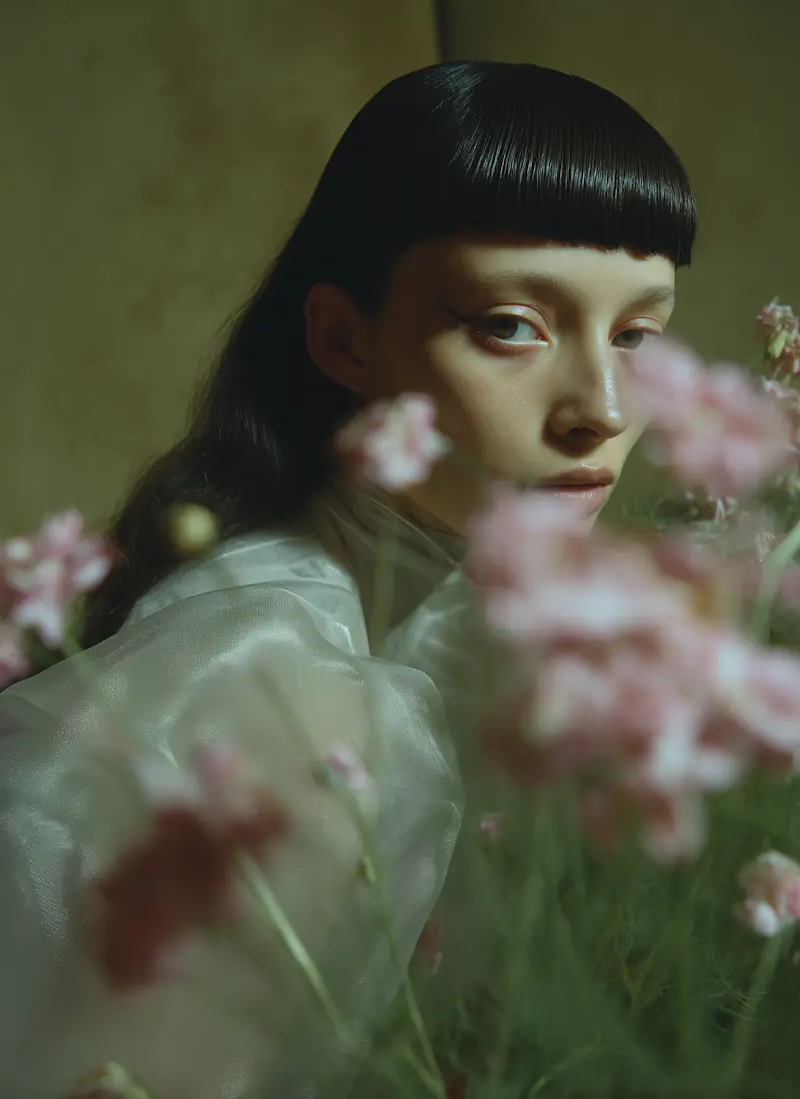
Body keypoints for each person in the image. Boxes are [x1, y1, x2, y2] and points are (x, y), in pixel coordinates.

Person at [0, 61, 696, 1098]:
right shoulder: (288, 687)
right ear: (342, 338)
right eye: (510, 325)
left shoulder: (472, 639)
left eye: (637, 335)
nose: (599, 405)